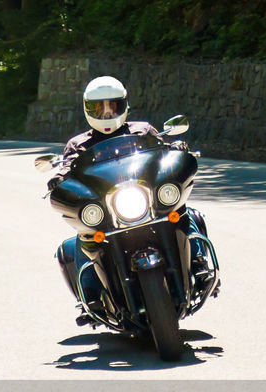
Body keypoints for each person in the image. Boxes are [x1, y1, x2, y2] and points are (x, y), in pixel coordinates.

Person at [49, 76, 217, 322]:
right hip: (108, 212)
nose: (106, 113)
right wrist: (59, 178)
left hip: (146, 203)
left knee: (182, 212)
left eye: (112, 106)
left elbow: (162, 153)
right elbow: (66, 170)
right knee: (85, 233)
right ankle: (90, 294)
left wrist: (175, 149)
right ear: (88, 109)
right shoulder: (78, 145)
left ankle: (199, 262)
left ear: (124, 105)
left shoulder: (143, 130)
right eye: (99, 108)